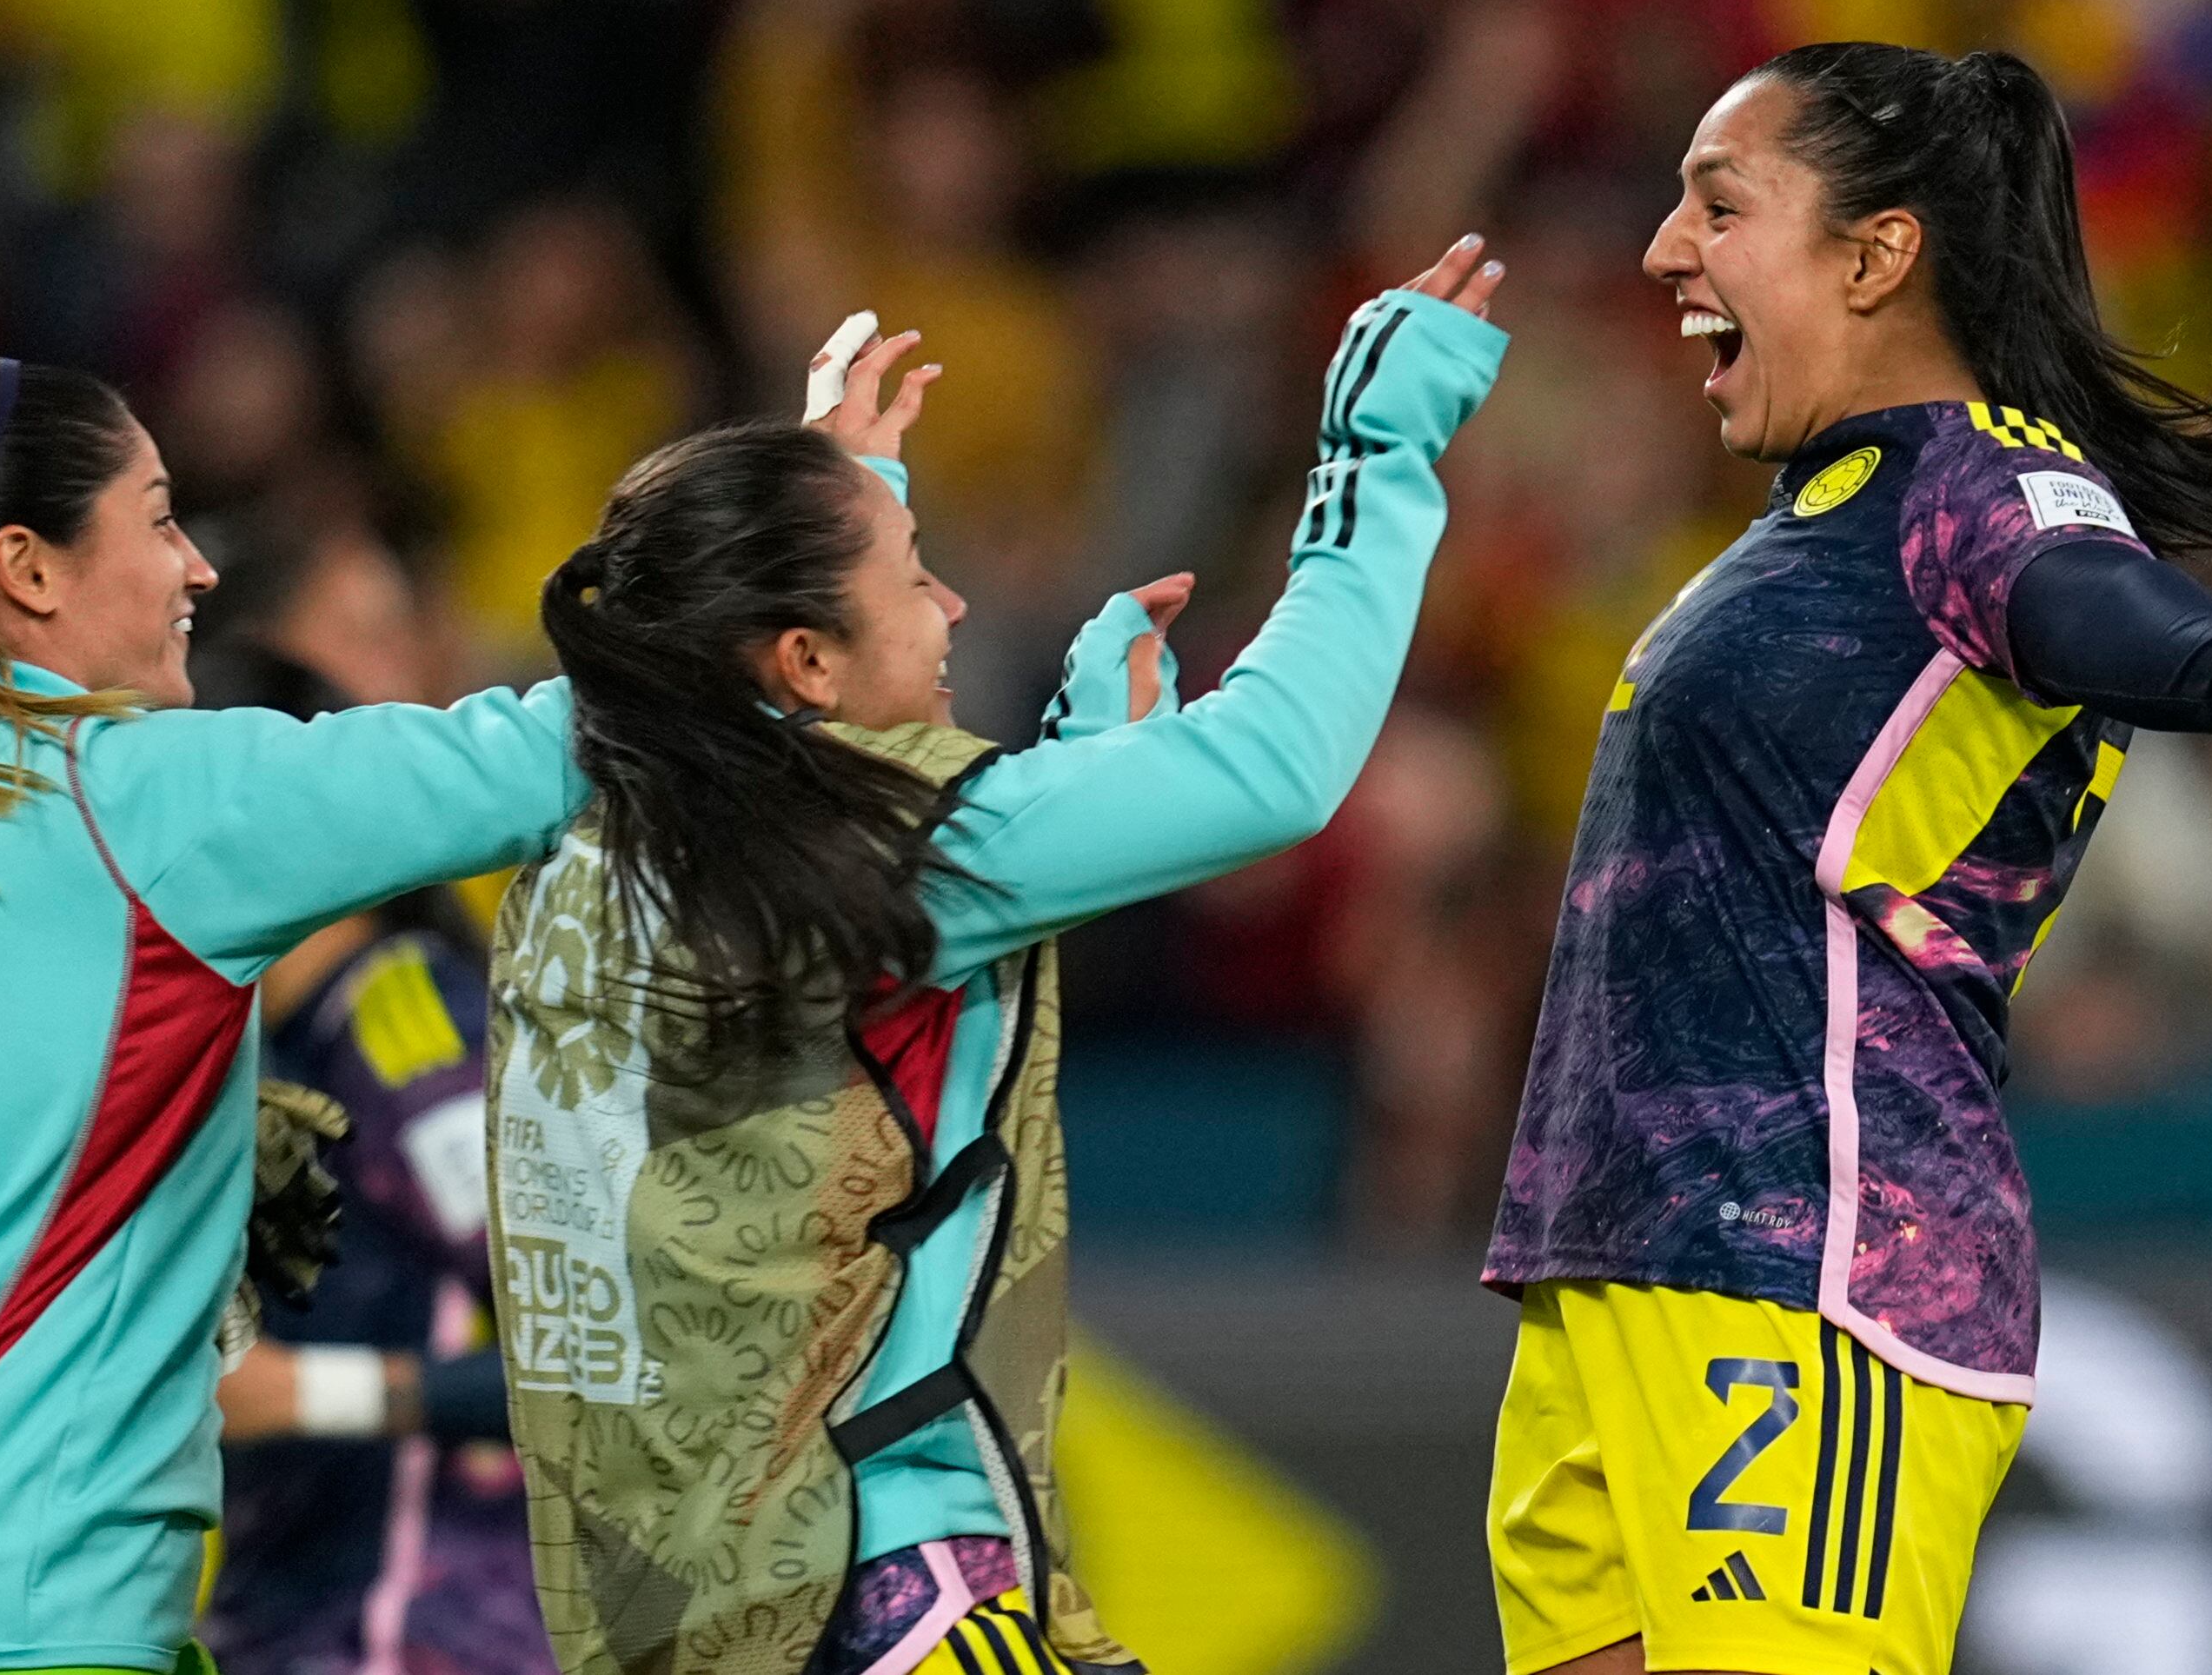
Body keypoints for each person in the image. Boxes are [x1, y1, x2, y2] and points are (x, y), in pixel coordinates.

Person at [1480, 45, 2212, 1675]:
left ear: (1875, 252)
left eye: (1719, 204)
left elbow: (2086, 594)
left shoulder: (1986, 481)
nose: (1662, 251)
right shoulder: (1825, 512)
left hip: (1810, 1265)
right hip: (1630, 1262)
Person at [488, 242, 1511, 1675]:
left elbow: (860, 1028)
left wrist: (862, 512)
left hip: (700, 1596)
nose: (956, 606)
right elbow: (1279, 768)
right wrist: (1379, 449)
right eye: (915, 576)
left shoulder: (591, 849)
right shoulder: (862, 855)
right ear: (803, 661)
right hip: (882, 1575)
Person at [0, 340, 587, 1675]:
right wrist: (808, 536)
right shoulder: (141, 804)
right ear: (28, 568)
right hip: (52, 1637)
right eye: (158, 520)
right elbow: (530, 763)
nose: (197, 568)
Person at [185, 519, 555, 1675]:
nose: (401, 689)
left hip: (413, 1632)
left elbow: (608, 1345)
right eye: (361, 640)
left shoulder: (398, 1020)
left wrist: (307, 1392)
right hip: (291, 1619)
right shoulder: (250, 1047)